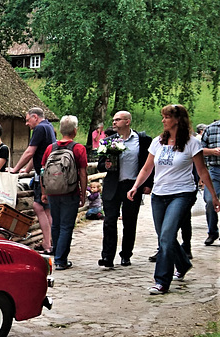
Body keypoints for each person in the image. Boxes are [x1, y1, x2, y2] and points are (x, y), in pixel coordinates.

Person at [127, 104, 220, 295]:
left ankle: (161, 281)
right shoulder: (157, 142)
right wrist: (135, 186)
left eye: (166, 117)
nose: (163, 120)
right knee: (165, 236)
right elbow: (147, 168)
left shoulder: (192, 143)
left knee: (166, 236)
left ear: (177, 119)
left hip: (182, 193)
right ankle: (183, 263)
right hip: (159, 194)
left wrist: (214, 196)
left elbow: (202, 171)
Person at [97, 111, 153, 268]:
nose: (114, 122)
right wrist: (105, 165)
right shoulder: (108, 141)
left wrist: (148, 184)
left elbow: (148, 164)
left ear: (127, 121)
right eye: (113, 120)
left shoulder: (142, 141)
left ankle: (126, 254)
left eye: (118, 120)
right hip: (113, 185)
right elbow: (101, 164)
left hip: (132, 185)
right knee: (109, 221)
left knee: (129, 221)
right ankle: (107, 256)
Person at [40, 115, 88, 270]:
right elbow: (82, 173)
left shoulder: (50, 148)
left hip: (53, 192)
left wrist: (43, 192)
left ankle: (57, 255)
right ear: (75, 131)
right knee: (67, 226)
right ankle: (61, 260)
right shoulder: (78, 148)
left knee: (56, 225)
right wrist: (82, 192)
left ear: (60, 130)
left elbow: (43, 172)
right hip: (70, 192)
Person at [11, 107, 56, 254]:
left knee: (38, 207)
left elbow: (30, 151)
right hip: (48, 173)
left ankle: (47, 244)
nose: (26, 124)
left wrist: (16, 169)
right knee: (47, 209)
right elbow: (39, 153)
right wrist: (27, 169)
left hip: (43, 175)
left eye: (27, 120)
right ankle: (51, 242)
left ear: (35, 117)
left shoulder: (39, 129)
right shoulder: (48, 126)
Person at [201, 118, 220, 245]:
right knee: (209, 200)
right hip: (214, 170)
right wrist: (213, 151)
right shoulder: (210, 129)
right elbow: (199, 150)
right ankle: (212, 232)